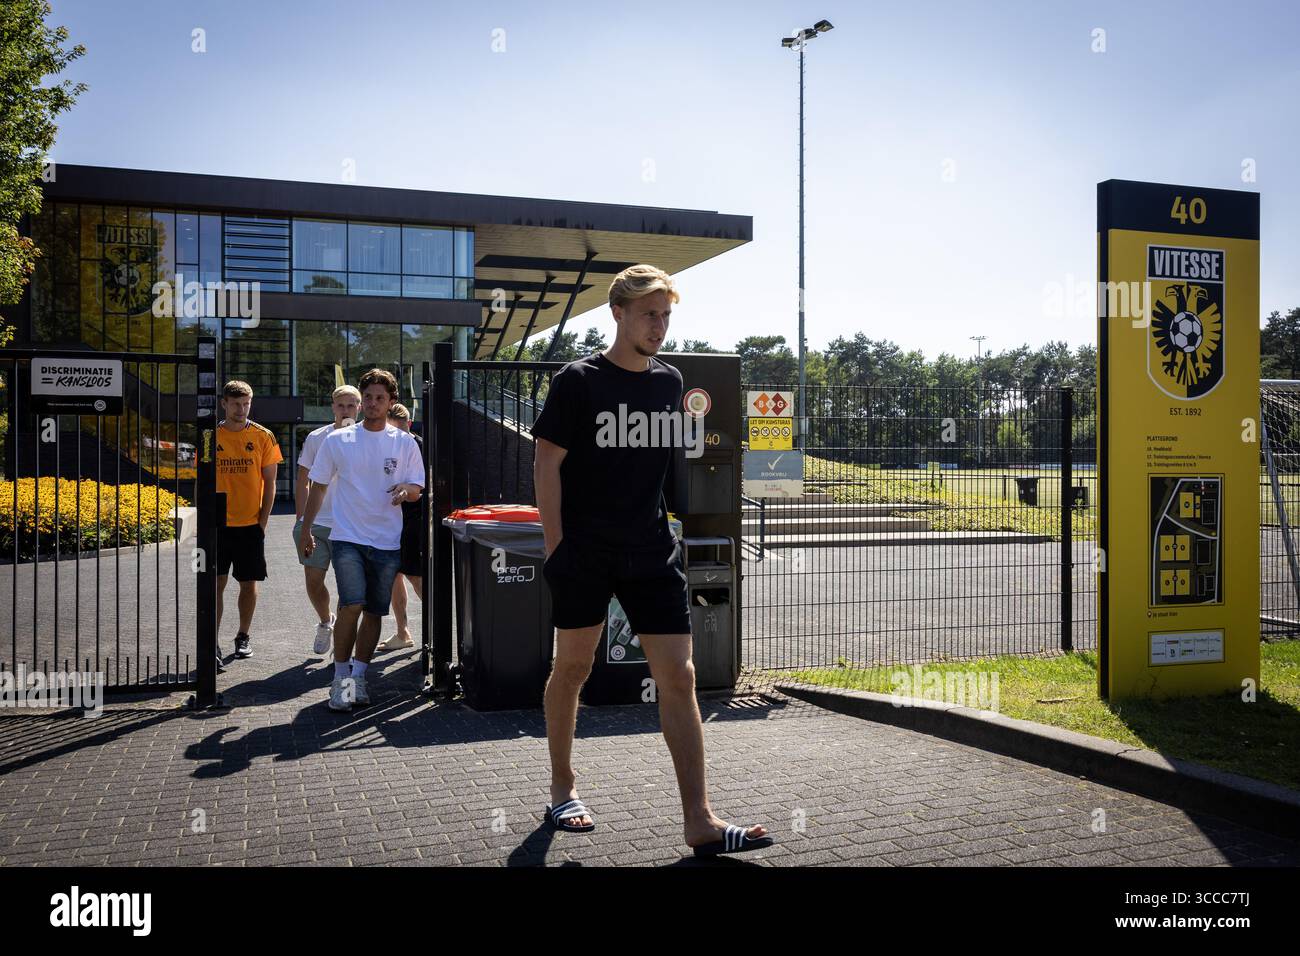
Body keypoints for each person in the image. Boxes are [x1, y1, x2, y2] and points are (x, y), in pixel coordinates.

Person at [530, 263, 773, 856]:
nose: (659, 326)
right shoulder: (577, 381)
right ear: (617, 313)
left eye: (666, 315)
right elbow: (546, 466)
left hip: (649, 551)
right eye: (649, 314)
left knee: (681, 676)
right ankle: (563, 787)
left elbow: (668, 468)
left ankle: (700, 820)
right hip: (584, 552)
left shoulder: (669, 383)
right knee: (574, 669)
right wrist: (557, 547)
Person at [299, 370, 424, 712]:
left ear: (391, 402)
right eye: (367, 396)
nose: (371, 403)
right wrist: (305, 527)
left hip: (387, 541)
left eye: (379, 398)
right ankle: (341, 681)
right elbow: (319, 485)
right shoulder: (337, 441)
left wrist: (405, 491)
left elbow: (417, 487)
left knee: (373, 611)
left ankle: (360, 677)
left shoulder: (405, 443)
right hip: (347, 538)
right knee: (351, 604)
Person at [215, 380, 283, 665]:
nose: (241, 409)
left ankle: (243, 636)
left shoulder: (264, 436)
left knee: (248, 583)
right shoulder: (210, 436)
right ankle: (211, 643)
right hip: (217, 524)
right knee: (214, 584)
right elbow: (201, 482)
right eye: (235, 404)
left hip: (249, 525)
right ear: (224, 403)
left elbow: (271, 484)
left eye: (246, 404)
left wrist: (262, 524)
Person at [294, 385, 361, 656]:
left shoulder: (366, 438)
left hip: (351, 526)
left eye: (351, 405)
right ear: (332, 407)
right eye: (341, 405)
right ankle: (326, 621)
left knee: (350, 588)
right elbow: (304, 480)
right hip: (319, 522)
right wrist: (301, 521)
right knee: (313, 580)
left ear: (359, 407)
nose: (345, 410)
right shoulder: (316, 438)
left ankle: (344, 643)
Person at [376, 403, 424, 653]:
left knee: (415, 576)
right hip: (389, 519)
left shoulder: (419, 445)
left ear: (409, 425)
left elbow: (425, 484)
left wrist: (407, 489)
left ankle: (436, 628)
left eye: (401, 429)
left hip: (415, 520)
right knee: (394, 575)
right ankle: (402, 632)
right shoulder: (383, 445)